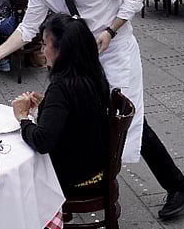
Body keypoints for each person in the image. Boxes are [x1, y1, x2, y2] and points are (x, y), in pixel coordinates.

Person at [0, 0, 184, 220]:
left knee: (123, 117)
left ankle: (166, 184)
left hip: (116, 51)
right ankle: (84, 181)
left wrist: (110, 30)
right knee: (98, 116)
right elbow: (29, 27)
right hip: (84, 58)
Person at [12, 13, 110, 193]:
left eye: (44, 44)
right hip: (95, 165)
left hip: (73, 176)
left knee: (11, 172)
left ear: (61, 50)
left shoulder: (62, 86)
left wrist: (22, 117)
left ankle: (29, 216)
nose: (42, 50)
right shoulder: (92, 75)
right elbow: (78, 113)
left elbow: (42, 142)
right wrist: (45, 103)